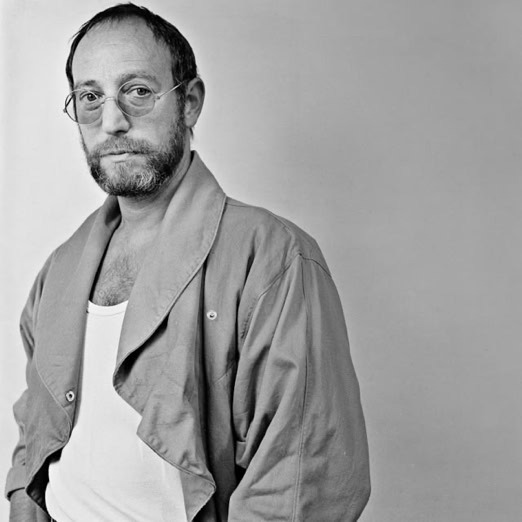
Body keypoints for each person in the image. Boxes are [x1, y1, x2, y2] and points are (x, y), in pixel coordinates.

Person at [6, 4, 370, 521]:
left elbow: (302, 482)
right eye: (90, 97)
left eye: (137, 91)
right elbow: (37, 432)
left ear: (190, 101)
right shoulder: (59, 270)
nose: (112, 122)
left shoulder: (272, 258)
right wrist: (23, 500)